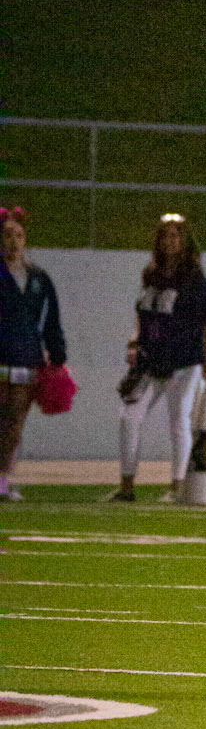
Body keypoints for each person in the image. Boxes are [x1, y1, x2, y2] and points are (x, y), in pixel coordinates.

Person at [109, 213, 206, 505]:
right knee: (129, 417)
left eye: (175, 236)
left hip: (183, 360)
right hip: (151, 358)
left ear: (184, 241)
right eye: (165, 236)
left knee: (178, 420)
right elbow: (142, 315)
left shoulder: (193, 277)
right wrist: (134, 342)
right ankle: (126, 487)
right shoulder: (151, 273)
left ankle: (177, 487)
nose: (169, 241)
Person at [0, 206, 67, 505]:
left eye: (18, 235)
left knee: (14, 424)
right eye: (7, 235)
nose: (13, 241)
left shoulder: (39, 277)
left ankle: (2, 481)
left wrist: (58, 356)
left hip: (27, 358)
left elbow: (51, 320)